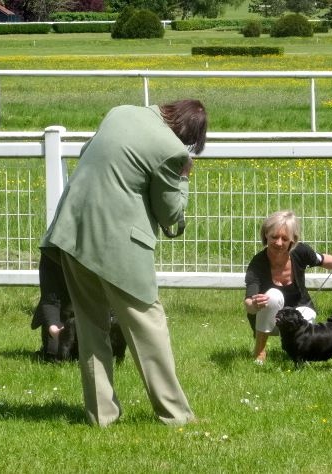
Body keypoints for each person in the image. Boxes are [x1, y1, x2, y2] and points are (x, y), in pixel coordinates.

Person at [40, 99, 207, 427]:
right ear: (187, 133)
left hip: (72, 231)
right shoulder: (171, 149)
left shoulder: (119, 111)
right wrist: (184, 176)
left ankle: (102, 416)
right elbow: (170, 212)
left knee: (90, 328)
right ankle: (176, 416)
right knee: (149, 327)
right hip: (118, 245)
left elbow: (95, 158)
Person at [244, 210, 332, 364]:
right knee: (273, 296)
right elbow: (248, 304)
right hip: (269, 320)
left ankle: (302, 354)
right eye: (274, 237)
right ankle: (260, 350)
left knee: (306, 317)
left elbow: (321, 259)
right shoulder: (257, 263)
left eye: (285, 238)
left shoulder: (300, 252)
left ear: (292, 240)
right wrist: (255, 304)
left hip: (299, 314)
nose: (279, 243)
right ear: (265, 236)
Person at [31, 252, 73, 361]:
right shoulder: (50, 251)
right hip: (61, 310)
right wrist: (54, 329)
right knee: (55, 353)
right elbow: (50, 297)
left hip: (89, 311)